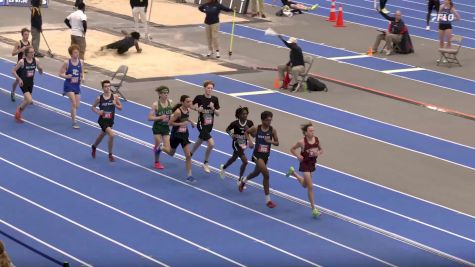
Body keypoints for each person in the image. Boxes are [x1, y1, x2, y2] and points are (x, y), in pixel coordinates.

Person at [238, 111, 279, 209]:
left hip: (266, 156)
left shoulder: (273, 130)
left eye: (270, 120)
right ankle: (268, 200)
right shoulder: (257, 128)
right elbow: (246, 132)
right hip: (257, 155)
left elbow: (277, 142)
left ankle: (244, 180)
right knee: (266, 174)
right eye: (267, 120)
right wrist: (250, 141)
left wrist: (271, 141)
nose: (269, 122)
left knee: (256, 173)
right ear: (263, 120)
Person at [155, 95, 197, 183]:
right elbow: (170, 123)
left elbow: (186, 117)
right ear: (182, 102)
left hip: (184, 135)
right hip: (176, 135)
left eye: (190, 101)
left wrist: (191, 122)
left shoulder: (188, 110)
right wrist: (181, 124)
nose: (190, 103)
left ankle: (189, 176)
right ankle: (161, 147)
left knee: (188, 155)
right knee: (171, 153)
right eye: (187, 102)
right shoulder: (178, 112)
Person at [286, 122, 323, 218]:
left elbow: (321, 150)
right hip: (305, 164)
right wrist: (298, 156)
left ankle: (293, 172)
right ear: (306, 133)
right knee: (310, 187)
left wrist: (317, 153)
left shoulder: (316, 140)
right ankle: (313, 209)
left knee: (304, 185)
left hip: (312, 164)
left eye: (313, 130)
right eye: (310, 131)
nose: (312, 132)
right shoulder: (302, 142)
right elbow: (292, 149)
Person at [190, 80, 220, 173]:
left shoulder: (215, 99)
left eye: (211, 88)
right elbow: (190, 104)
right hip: (201, 124)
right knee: (211, 144)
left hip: (209, 125)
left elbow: (218, 113)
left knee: (200, 140)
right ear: (204, 88)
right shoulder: (199, 98)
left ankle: (189, 154)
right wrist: (197, 109)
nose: (210, 90)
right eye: (208, 88)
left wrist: (213, 108)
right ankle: (205, 163)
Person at [219, 106, 254, 181]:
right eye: (243, 114)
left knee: (234, 158)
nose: (245, 115)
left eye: (246, 114)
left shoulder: (249, 123)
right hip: (236, 144)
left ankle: (223, 167)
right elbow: (227, 129)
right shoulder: (235, 123)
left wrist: (249, 132)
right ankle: (240, 179)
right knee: (245, 161)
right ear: (239, 115)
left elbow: (253, 134)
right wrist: (232, 135)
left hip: (243, 144)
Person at [91, 80, 123, 162]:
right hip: (102, 120)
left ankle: (94, 146)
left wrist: (115, 104)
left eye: (109, 86)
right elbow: (93, 107)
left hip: (110, 120)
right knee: (112, 135)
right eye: (105, 86)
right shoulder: (99, 98)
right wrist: (98, 112)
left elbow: (120, 108)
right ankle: (110, 155)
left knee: (102, 135)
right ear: (102, 88)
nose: (108, 88)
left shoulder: (115, 96)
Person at [11, 46, 43, 123]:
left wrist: (41, 69)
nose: (33, 54)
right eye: (31, 52)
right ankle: (18, 111)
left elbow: (40, 72)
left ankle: (18, 114)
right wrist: (19, 79)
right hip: (23, 83)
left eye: (33, 52)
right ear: (27, 53)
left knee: (26, 101)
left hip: (30, 83)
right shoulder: (22, 61)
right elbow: (13, 71)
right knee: (29, 100)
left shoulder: (36, 60)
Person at [148, 86, 173, 169]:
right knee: (159, 144)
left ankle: (157, 147)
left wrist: (172, 120)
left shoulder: (171, 102)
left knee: (168, 149)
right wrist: (159, 117)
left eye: (167, 93)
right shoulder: (155, 105)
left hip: (166, 128)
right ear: (160, 94)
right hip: (157, 128)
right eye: (164, 93)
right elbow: (149, 118)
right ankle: (157, 162)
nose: (166, 95)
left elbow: (173, 114)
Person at [59, 45, 84, 129]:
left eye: (78, 52)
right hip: (69, 85)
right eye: (75, 52)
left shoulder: (81, 62)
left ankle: (67, 94)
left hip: (76, 85)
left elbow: (81, 73)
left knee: (77, 105)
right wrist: (66, 76)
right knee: (73, 103)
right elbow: (60, 74)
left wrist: (82, 78)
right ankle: (74, 122)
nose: (77, 54)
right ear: (71, 54)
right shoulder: (67, 63)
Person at [10, 28, 31, 102]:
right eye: (25, 34)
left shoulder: (29, 43)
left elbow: (30, 53)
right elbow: (13, 53)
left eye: (28, 34)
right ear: (22, 35)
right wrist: (20, 50)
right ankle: (13, 92)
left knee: (28, 81)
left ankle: (28, 97)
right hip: (20, 65)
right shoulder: (18, 43)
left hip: (27, 65)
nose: (27, 36)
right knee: (17, 80)